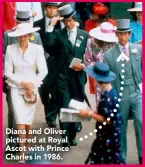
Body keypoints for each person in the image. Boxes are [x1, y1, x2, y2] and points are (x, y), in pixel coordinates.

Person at [44, 4, 89, 146]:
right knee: (64, 105)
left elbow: (90, 57)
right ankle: (64, 137)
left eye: (70, 20)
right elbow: (48, 45)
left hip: (77, 76)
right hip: (61, 76)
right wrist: (51, 27)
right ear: (62, 22)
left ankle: (72, 135)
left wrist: (83, 66)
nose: (68, 24)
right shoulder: (58, 34)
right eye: (65, 21)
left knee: (75, 106)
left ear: (74, 19)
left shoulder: (85, 35)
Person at [4, 23, 48, 164]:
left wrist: (32, 84)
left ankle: (26, 147)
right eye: (20, 35)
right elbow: (8, 72)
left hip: (32, 88)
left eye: (25, 35)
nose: (23, 38)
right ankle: (22, 151)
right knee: (20, 120)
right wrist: (22, 82)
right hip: (16, 88)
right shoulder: (10, 49)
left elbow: (43, 70)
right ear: (16, 37)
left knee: (28, 122)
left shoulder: (37, 49)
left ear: (30, 36)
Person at [103, 19, 142, 164]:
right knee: (121, 126)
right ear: (116, 35)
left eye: (125, 34)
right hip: (119, 93)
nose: (123, 37)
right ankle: (122, 157)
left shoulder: (138, 49)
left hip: (137, 91)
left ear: (129, 34)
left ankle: (142, 154)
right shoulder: (109, 54)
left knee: (141, 122)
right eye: (120, 34)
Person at [78, 62, 123, 164]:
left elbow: (107, 119)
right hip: (109, 136)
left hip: (108, 138)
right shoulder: (111, 92)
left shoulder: (108, 97)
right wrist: (92, 111)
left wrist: (89, 114)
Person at [34, 2, 64, 127]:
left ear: (57, 10)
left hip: (56, 61)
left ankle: (51, 116)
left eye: (54, 8)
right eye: (50, 8)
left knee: (57, 90)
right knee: (43, 89)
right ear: (45, 9)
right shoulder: (37, 24)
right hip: (40, 61)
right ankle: (49, 112)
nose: (52, 10)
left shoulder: (61, 24)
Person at [84, 22, 118, 108]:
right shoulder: (91, 42)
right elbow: (88, 60)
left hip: (114, 75)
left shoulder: (116, 43)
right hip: (99, 75)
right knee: (101, 103)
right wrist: (98, 70)